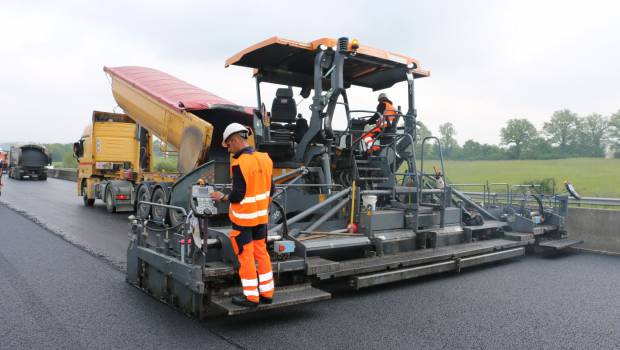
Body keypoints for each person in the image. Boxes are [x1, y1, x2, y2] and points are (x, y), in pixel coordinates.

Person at [211, 123, 275, 307]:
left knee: (246, 257)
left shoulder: (240, 163)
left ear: (235, 140)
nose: (229, 150)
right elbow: (272, 189)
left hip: (244, 221)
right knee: (262, 254)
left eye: (229, 145)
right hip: (261, 219)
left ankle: (251, 297)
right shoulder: (265, 159)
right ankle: (267, 293)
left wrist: (222, 197)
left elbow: (238, 195)